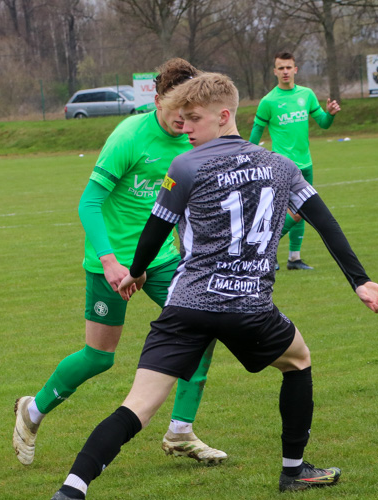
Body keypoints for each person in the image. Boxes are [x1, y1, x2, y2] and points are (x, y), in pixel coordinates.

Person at [45, 72, 378, 500]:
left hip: (187, 305)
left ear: (224, 116)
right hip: (250, 306)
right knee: (299, 361)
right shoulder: (281, 166)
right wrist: (360, 282)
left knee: (139, 405)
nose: (185, 127)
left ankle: (73, 490)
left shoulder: (185, 168)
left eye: (194, 118)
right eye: (181, 118)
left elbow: (153, 231)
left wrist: (137, 270)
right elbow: (325, 222)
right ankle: (294, 470)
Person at [13, 58, 227, 468]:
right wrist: (111, 263)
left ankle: (180, 432)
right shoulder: (129, 136)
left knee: (200, 331)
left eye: (191, 110)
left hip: (162, 259)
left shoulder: (192, 138)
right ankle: (32, 411)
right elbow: (89, 202)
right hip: (110, 263)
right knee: (100, 357)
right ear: (159, 98)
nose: (185, 120)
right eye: (178, 109)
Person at [249, 51, 341, 271]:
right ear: (275, 72)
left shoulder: (307, 95)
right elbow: (255, 133)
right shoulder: (268, 101)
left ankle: (294, 258)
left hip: (305, 165)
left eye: (289, 67)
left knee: (303, 212)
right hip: (281, 167)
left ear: (296, 69)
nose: (285, 72)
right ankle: (264, 252)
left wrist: (330, 114)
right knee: (286, 213)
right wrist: (247, 157)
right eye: (281, 68)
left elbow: (324, 123)